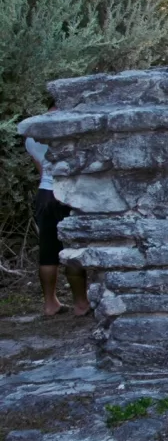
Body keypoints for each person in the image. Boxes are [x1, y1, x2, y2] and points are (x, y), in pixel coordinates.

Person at [25, 105, 89, 317]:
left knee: (47, 250)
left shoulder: (32, 137)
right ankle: (81, 304)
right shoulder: (70, 131)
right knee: (73, 248)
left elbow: (42, 171)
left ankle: (50, 303)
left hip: (45, 194)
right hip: (70, 193)